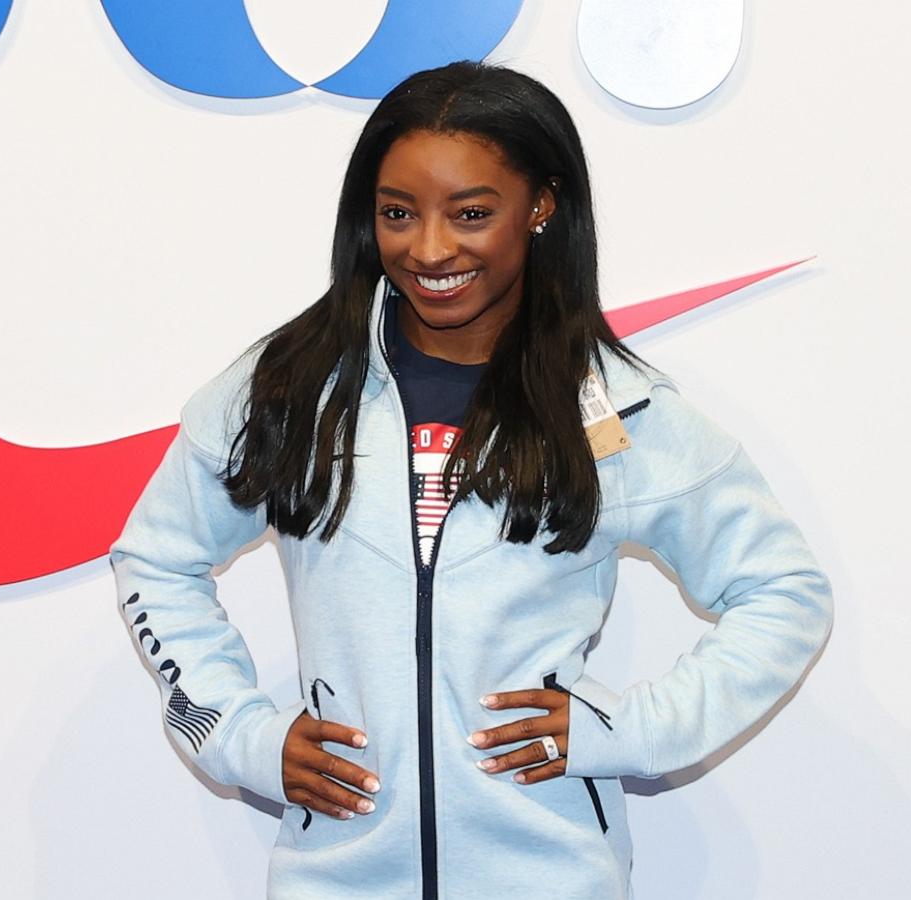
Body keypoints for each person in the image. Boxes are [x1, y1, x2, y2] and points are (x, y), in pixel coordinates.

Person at [109, 60, 834, 900]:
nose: (429, 248)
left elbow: (785, 590)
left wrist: (627, 730)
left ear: (541, 206)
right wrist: (238, 735)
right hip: (334, 877)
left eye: (472, 213)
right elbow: (156, 560)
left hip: (554, 874)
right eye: (397, 213)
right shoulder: (290, 389)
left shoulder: (615, 411)